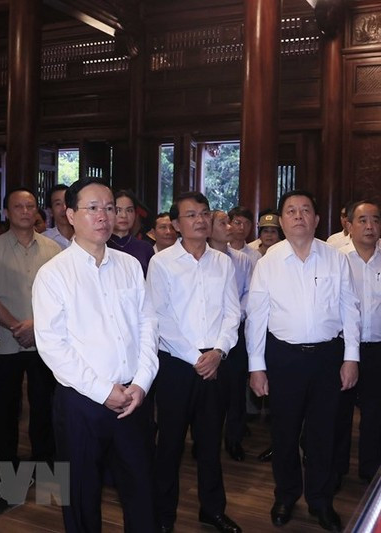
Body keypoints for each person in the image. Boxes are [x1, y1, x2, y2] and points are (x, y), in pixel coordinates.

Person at [33, 178, 159, 532]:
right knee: (81, 496)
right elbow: (53, 346)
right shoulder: (53, 274)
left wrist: (141, 383)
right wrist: (104, 391)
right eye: (93, 208)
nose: (104, 215)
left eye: (110, 207)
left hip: (133, 399)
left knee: (140, 490)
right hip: (82, 402)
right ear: (71, 214)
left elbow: (148, 325)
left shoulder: (130, 265)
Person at [246, 189, 360, 532]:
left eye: (305, 210)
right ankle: (286, 495)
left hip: (327, 357)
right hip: (283, 358)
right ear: (281, 222)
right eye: (291, 211)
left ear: (317, 218)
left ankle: (320, 500)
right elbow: (256, 316)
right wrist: (256, 366)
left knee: (323, 433)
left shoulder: (336, 258)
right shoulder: (268, 262)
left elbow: (350, 310)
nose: (299, 216)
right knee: (284, 432)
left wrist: (351, 357)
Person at [147, 192, 241, 533]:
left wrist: (218, 352)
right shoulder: (161, 262)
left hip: (216, 362)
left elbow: (233, 312)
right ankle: (162, 516)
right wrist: (196, 358)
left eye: (204, 214)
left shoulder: (223, 262)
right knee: (169, 445)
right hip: (177, 366)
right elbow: (160, 318)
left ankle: (212, 509)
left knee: (210, 443)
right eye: (190, 215)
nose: (200, 220)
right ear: (175, 224)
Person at [0, 188, 61, 468]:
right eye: (18, 207)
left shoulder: (53, 249)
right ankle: (8, 463)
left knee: (43, 404)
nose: (26, 211)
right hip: (6, 341)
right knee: (6, 407)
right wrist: (17, 326)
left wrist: (35, 325)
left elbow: (63, 296)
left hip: (44, 342)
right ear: (6, 213)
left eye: (31, 206)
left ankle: (43, 458)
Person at [334, 200, 381, 486]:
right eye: (362, 220)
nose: (369, 226)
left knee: (374, 414)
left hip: (378, 349)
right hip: (341, 350)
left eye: (375, 220)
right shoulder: (335, 258)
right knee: (339, 413)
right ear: (348, 225)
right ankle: (335, 469)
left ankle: (370, 469)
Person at [208, 210, 254, 462]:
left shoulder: (242, 260)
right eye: (222, 223)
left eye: (230, 222)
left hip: (236, 330)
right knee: (210, 392)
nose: (229, 227)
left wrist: (236, 313)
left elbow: (249, 291)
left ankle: (234, 439)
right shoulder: (203, 257)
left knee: (236, 389)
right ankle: (207, 440)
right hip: (209, 333)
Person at [107, 189, 154, 276]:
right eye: (118, 210)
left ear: (135, 214)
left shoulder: (145, 248)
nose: (124, 215)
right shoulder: (102, 246)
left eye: (129, 210)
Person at [42, 184, 74, 249]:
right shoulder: (43, 240)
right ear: (50, 211)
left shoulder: (87, 237)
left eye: (67, 202)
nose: (64, 208)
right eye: (58, 204)